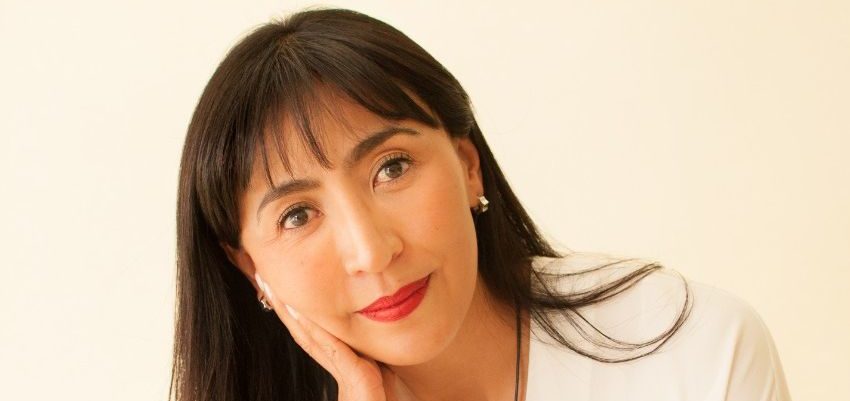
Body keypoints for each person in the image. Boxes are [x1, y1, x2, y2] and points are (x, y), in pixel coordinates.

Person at [172, 8, 790, 401]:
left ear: (468, 167)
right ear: (250, 267)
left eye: (392, 168)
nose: (371, 251)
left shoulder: (692, 351)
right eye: (298, 215)